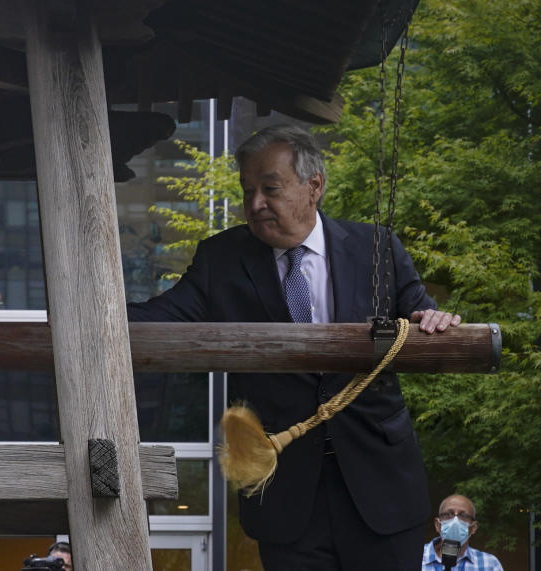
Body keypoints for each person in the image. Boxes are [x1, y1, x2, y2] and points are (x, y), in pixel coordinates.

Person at [127, 124, 461, 570]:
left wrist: (436, 320)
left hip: (380, 485)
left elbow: (421, 317)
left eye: (270, 189)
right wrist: (86, 310)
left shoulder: (376, 248)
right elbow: (158, 320)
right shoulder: (221, 259)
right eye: (248, 191)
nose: (255, 204)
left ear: (314, 186)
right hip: (284, 494)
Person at [422, 494, 503, 570]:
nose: (455, 521)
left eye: (463, 516)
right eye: (448, 514)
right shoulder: (414, 557)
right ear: (437, 525)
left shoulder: (490, 564)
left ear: (473, 527)